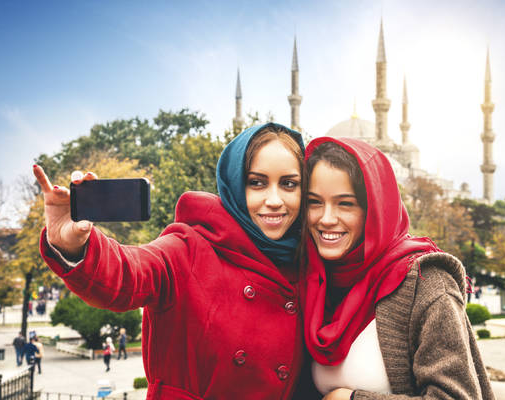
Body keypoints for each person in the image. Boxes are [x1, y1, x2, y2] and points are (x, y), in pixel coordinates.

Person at [34, 123, 306, 399]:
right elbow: (130, 273)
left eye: (289, 184)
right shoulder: (188, 248)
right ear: (234, 183)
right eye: (256, 183)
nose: (274, 200)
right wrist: (74, 244)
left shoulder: (307, 264)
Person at [300, 138, 494, 399]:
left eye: (345, 203)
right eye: (314, 202)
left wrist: (352, 399)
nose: (325, 219)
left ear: (375, 209)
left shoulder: (426, 283)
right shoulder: (314, 281)